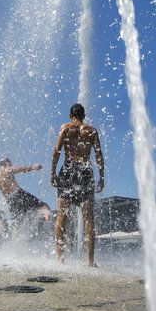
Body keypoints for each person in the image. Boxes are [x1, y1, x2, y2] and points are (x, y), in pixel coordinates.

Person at [51, 102, 104, 267]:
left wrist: (52, 171)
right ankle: (90, 261)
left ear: (70, 116)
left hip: (68, 170)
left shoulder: (65, 128)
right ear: (84, 116)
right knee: (88, 218)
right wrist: (102, 177)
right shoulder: (92, 131)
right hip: (85, 171)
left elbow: (57, 150)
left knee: (62, 215)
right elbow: (98, 154)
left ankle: (60, 259)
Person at [0, 159, 52, 231]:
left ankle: (14, 240)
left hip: (11, 202)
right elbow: (20, 169)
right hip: (19, 195)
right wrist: (33, 167)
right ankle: (47, 221)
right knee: (44, 206)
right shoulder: (7, 169)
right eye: (10, 163)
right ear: (6, 163)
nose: (11, 165)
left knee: (18, 225)